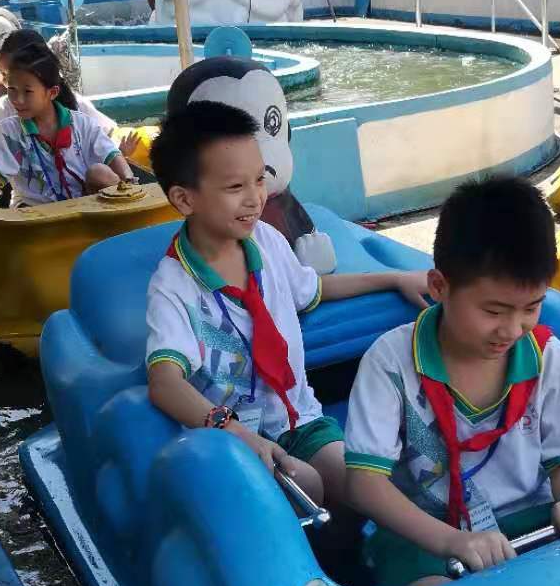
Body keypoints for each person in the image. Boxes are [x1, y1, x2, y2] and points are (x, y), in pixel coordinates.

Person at [145, 100, 429, 509]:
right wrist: (232, 430)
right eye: (235, 188)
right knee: (307, 484)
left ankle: (350, 543)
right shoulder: (173, 286)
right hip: (232, 441)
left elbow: (312, 289)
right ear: (184, 199)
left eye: (259, 179)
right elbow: (164, 383)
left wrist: (394, 278)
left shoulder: (267, 241)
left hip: (299, 419)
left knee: (365, 484)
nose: (255, 198)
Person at [344, 175, 560, 586]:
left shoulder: (547, 356)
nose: (512, 329)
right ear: (439, 287)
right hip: (425, 533)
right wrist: (454, 541)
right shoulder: (389, 361)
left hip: (530, 520)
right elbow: (364, 485)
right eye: (494, 311)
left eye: (531, 308)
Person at [0, 41, 133, 204]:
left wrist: (130, 181)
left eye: (28, 92)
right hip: (33, 215)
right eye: (12, 90)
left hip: (82, 206)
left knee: (99, 172)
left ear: (52, 92)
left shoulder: (82, 123)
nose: (17, 100)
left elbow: (111, 154)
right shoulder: (7, 132)